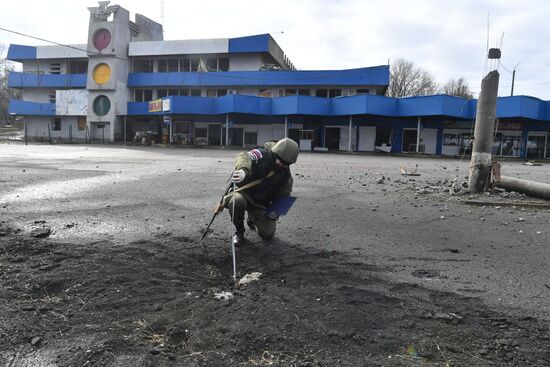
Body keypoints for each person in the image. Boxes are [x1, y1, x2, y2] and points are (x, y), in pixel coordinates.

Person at [223, 138, 299, 246]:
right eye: (280, 161)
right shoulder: (262, 154)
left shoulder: (286, 177)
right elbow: (244, 156)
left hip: (260, 203)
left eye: (286, 164)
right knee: (236, 202)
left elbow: (284, 198)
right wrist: (242, 171)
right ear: (275, 154)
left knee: (268, 234)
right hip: (243, 193)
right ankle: (239, 231)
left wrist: (274, 213)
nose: (282, 165)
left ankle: (252, 219)